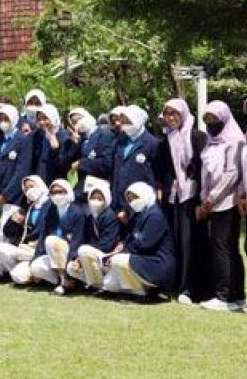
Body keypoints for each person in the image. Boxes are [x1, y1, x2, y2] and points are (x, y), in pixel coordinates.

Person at [159, 98, 210, 306]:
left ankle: (191, 288)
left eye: (175, 113)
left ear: (184, 114)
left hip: (194, 197)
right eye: (167, 114)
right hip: (174, 198)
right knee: (176, 241)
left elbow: (206, 168)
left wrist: (203, 198)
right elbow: (163, 169)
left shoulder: (197, 137)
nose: (171, 118)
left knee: (192, 243)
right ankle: (176, 284)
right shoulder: (166, 140)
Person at [196, 102, 245, 312]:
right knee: (227, 248)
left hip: (227, 202)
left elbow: (231, 175)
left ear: (224, 119)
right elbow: (206, 173)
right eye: (207, 120)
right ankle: (235, 295)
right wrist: (204, 198)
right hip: (214, 203)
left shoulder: (234, 141)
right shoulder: (211, 142)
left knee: (224, 248)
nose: (211, 124)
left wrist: (210, 200)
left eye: (215, 119)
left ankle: (225, 296)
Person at [99, 181, 175, 299]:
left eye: (135, 197)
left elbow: (144, 244)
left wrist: (121, 253)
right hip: (144, 260)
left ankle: (140, 293)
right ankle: (136, 289)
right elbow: (133, 239)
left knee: (118, 260)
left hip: (158, 265)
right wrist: (121, 248)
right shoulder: (141, 214)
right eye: (129, 200)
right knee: (108, 284)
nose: (132, 202)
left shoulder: (155, 215)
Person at [27, 178, 86, 294]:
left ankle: (65, 281)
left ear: (68, 192)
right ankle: (58, 280)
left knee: (51, 241)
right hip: (53, 253)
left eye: (60, 191)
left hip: (70, 253)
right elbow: (43, 236)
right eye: (53, 192)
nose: (57, 195)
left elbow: (77, 241)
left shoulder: (77, 212)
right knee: (35, 267)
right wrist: (34, 259)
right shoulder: (51, 211)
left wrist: (73, 261)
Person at [0, 175, 49, 285]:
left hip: (41, 249)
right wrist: (14, 221)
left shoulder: (50, 205)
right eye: (26, 189)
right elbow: (7, 231)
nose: (30, 190)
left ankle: (39, 277)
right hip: (25, 250)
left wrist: (38, 243)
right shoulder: (27, 207)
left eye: (32, 186)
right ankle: (22, 273)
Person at [111, 105, 163, 223]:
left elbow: (157, 173)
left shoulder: (152, 143)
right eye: (123, 121)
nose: (125, 124)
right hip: (119, 201)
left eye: (128, 121)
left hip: (139, 202)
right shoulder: (119, 142)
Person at [69, 178, 120, 290]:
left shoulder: (110, 216)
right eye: (93, 197)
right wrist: (77, 260)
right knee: (70, 268)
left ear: (106, 199)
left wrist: (80, 257)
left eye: (99, 198)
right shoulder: (90, 216)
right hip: (92, 255)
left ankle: (98, 284)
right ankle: (98, 284)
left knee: (84, 250)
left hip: (107, 256)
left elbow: (106, 244)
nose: (95, 201)